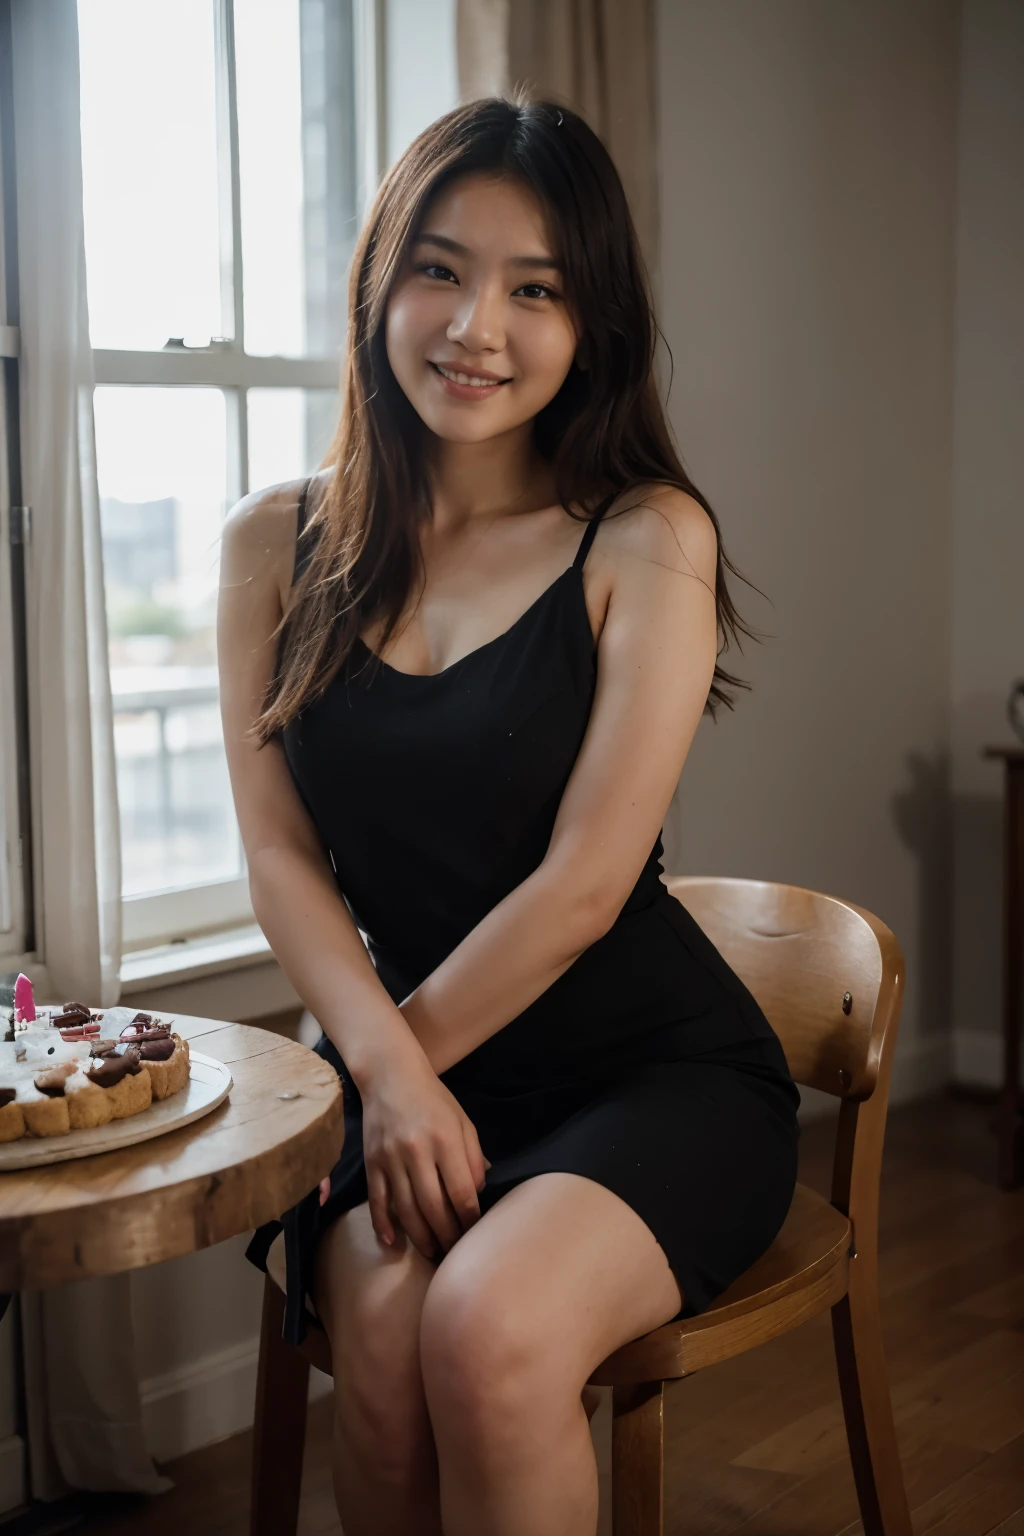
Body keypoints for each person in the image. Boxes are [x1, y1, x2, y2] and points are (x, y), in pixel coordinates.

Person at [219, 94, 800, 1536]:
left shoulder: (647, 534)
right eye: (440, 267)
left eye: (534, 288)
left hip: (648, 1072)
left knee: (484, 1329)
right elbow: (282, 854)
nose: (478, 324)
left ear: (589, 321)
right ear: (378, 281)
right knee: (392, 1341)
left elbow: (589, 882)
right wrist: (390, 1076)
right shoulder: (269, 545)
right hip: (400, 1054)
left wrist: (396, 1070)